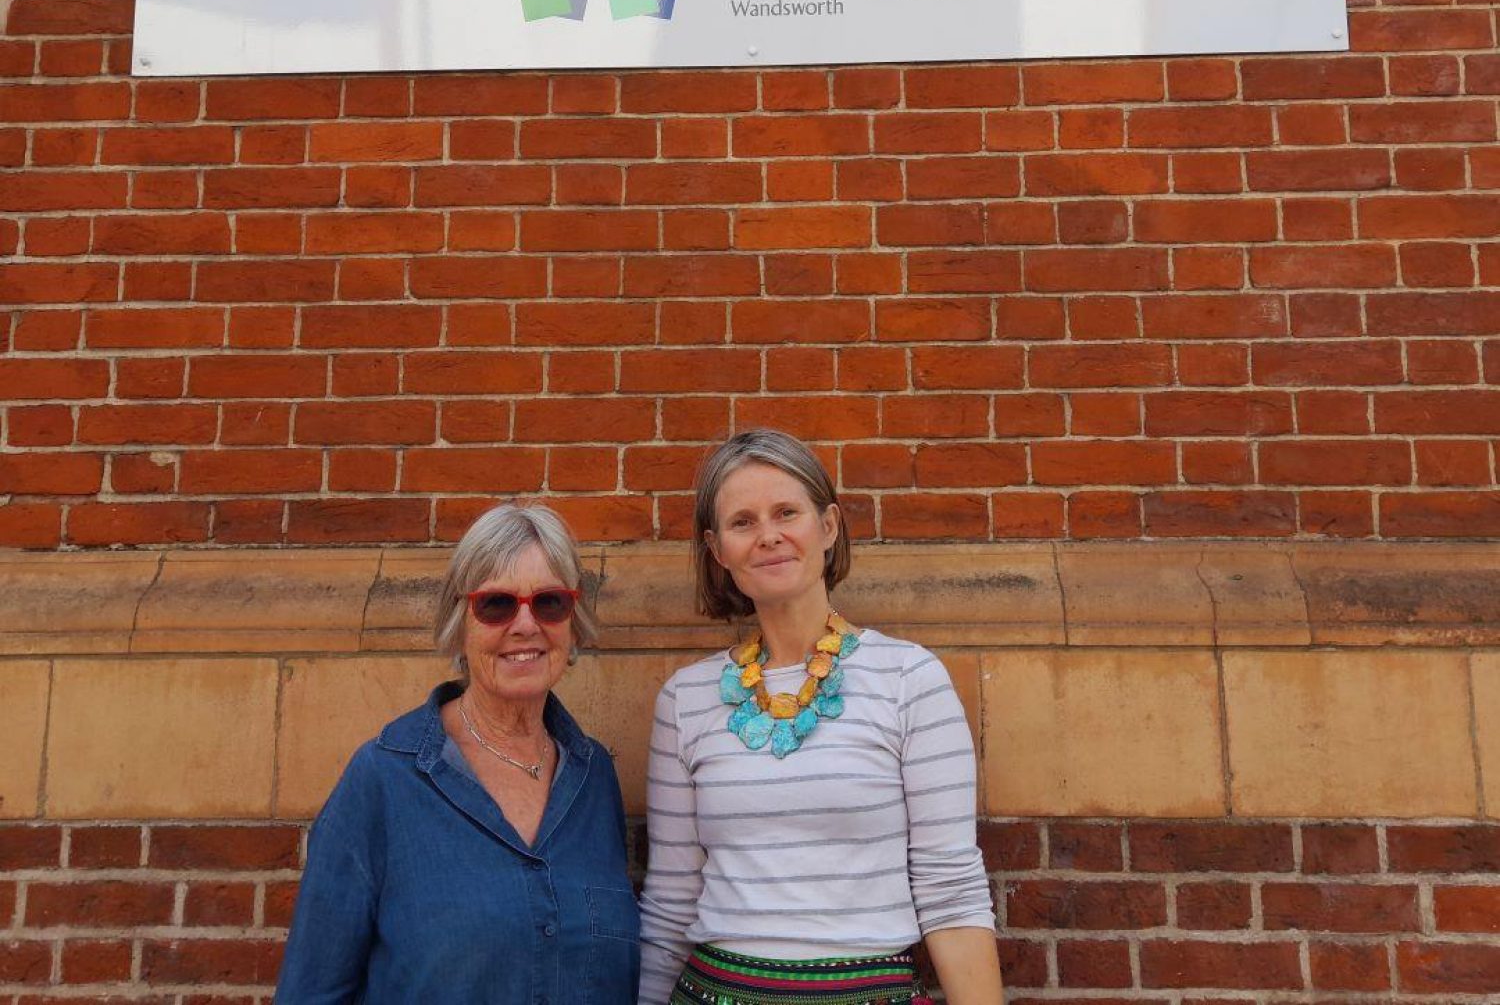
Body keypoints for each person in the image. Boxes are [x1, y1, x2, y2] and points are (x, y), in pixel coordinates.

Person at [638, 429, 1003, 1005]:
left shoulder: (909, 679)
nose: (769, 536)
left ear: (828, 527)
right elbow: (671, 898)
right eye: (742, 522)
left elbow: (950, 888)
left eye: (787, 512)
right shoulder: (687, 700)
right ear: (717, 550)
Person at [276, 502, 639, 1003]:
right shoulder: (384, 779)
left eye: (550, 602)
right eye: (496, 605)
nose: (526, 625)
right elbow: (311, 992)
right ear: (458, 622)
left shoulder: (593, 776)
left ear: (573, 621)